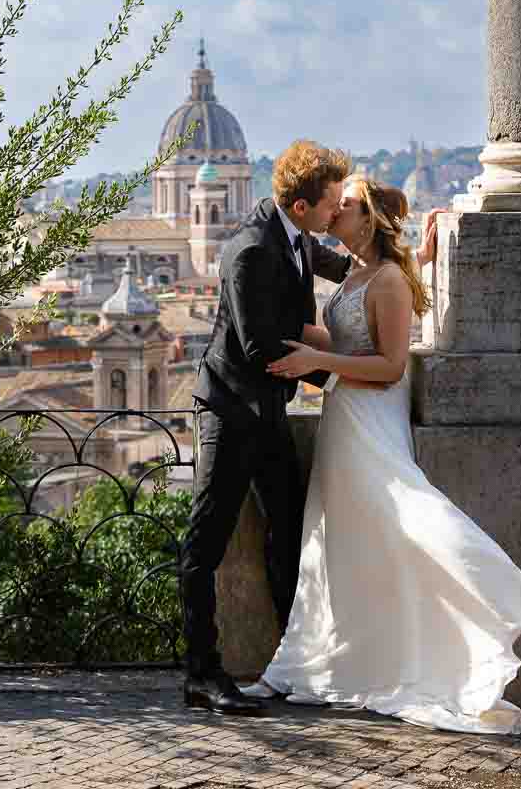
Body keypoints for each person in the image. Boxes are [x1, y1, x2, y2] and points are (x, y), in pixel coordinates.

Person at [240, 178, 521, 735]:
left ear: (371, 219)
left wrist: (313, 356)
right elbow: (350, 343)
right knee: (331, 541)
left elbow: (391, 367)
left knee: (400, 518)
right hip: (343, 416)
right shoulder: (356, 272)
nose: (335, 211)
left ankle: (486, 596)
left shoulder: (385, 281)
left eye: (347, 205)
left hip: (369, 417)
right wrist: (300, 343)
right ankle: (301, 664)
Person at [181, 142, 437, 715]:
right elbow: (257, 347)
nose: (334, 215)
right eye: (329, 206)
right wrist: (340, 373)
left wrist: (415, 251)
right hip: (231, 410)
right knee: (207, 541)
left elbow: (360, 270)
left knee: (292, 533)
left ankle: (293, 661)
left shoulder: (296, 239)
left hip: (269, 412)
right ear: (301, 206)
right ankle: (202, 672)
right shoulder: (250, 250)